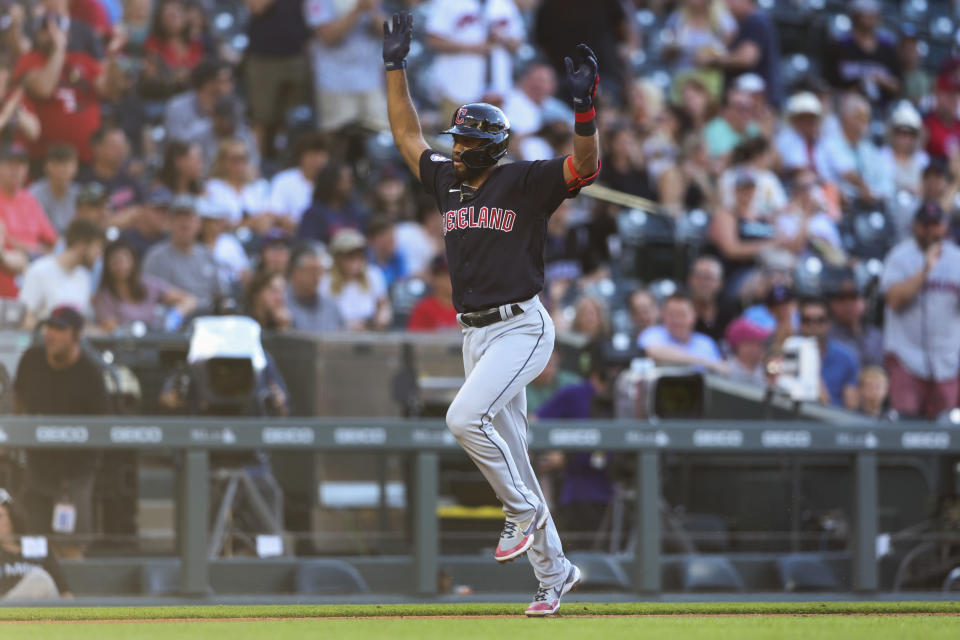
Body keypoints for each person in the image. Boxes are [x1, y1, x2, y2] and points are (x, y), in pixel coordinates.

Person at [383, 13, 600, 615]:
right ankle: (555, 573)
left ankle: (522, 513)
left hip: (522, 325)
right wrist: (395, 68)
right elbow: (406, 135)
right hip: (475, 334)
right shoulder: (448, 183)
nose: (459, 151)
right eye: (457, 141)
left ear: (494, 148)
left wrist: (584, 112)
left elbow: (584, 168)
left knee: (462, 417)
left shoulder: (524, 182)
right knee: (512, 451)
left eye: (470, 144)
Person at [13, 305, 109, 557]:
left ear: (77, 335)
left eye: (59, 329)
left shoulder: (90, 373)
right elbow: (18, 402)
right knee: (31, 544)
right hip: (36, 467)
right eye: (48, 327)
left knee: (71, 548)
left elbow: (101, 428)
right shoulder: (31, 359)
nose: (50, 334)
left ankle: (71, 594)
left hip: (74, 473)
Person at [881, 201, 960, 419]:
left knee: (948, 431)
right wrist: (925, 270)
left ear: (944, 227)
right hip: (907, 356)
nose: (931, 231)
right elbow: (894, 300)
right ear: (916, 225)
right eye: (926, 225)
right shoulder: (899, 257)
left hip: (946, 359)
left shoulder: (956, 258)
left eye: (936, 225)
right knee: (906, 431)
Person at [305, 0, 389, 134]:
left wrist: (372, 10)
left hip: (371, 82)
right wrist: (357, 10)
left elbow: (387, 33)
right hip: (334, 83)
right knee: (340, 141)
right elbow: (328, 37)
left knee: (380, 137)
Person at [244, 0, 309, 158]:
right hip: (264, 58)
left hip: (296, 55)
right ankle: (254, 170)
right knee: (261, 118)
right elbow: (255, 7)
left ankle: (285, 165)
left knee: (292, 119)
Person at [142, 195, 224, 314]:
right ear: (170, 223)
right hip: (173, 318)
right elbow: (149, 296)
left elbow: (221, 293)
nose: (185, 223)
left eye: (190, 217)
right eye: (179, 217)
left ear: (199, 224)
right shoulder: (156, 257)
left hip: (208, 317)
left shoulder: (206, 254)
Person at [93, 238, 196, 332]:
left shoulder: (148, 284)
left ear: (133, 261)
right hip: (125, 347)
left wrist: (176, 315)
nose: (121, 266)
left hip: (157, 342)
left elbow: (190, 299)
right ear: (107, 265)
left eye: (124, 260)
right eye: (115, 262)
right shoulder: (104, 296)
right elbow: (110, 328)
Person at [19, 218, 104, 327]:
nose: (99, 254)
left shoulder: (84, 277)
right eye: (97, 247)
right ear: (81, 246)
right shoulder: (39, 271)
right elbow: (25, 318)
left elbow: (83, 323)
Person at [823, 0, 900, 110]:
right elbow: (828, 88)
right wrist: (857, 88)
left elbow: (897, 87)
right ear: (855, 15)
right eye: (866, 11)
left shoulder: (888, 48)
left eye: (873, 12)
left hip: (881, 111)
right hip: (845, 111)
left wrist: (881, 80)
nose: (871, 16)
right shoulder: (839, 45)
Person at [0, 491, 71, 599]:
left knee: (41, 579)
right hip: (8, 612)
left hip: (45, 611)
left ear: (12, 517)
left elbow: (64, 591)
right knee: (39, 579)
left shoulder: (37, 546)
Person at [320, 227, 390, 331]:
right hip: (336, 335)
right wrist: (348, 325)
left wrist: (382, 317)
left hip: (368, 333)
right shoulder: (325, 281)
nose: (355, 260)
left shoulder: (373, 275)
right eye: (349, 255)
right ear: (338, 257)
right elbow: (322, 316)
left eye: (359, 255)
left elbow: (383, 306)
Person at [797, 297, 859, 409]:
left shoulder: (846, 358)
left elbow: (852, 407)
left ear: (828, 323)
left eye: (820, 320)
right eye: (807, 320)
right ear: (800, 323)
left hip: (832, 422)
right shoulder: (788, 352)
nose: (813, 325)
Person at [638, 292, 725, 372]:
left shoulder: (706, 343)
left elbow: (723, 369)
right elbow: (654, 352)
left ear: (693, 316)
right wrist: (703, 362)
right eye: (671, 314)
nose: (676, 320)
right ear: (663, 315)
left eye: (682, 315)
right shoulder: (652, 334)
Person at [77, 125, 143, 227]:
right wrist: (131, 214)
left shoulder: (129, 176)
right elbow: (95, 224)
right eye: (115, 147)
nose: (121, 151)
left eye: (123, 145)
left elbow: (145, 210)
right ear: (97, 149)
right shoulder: (85, 183)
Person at [296, 160, 369, 244]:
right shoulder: (313, 214)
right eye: (345, 181)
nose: (349, 186)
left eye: (351, 181)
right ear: (331, 183)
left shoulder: (356, 212)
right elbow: (308, 247)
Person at [163, 59, 235, 145]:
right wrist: (213, 125)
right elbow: (177, 146)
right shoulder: (177, 107)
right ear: (207, 83)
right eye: (224, 81)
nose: (230, 86)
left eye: (230, 81)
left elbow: (245, 142)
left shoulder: (232, 106)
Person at [268, 133, 329, 230]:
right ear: (302, 156)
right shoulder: (283, 180)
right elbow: (274, 213)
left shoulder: (331, 183)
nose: (319, 160)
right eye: (314, 155)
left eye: (322, 155)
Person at [826, 272, 883, 368]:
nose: (848, 304)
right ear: (832, 304)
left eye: (853, 297)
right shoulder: (827, 335)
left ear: (865, 302)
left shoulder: (876, 336)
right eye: (841, 298)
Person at [285, 243, 343, 333]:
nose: (317, 277)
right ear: (295, 271)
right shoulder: (280, 303)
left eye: (320, 271)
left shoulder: (331, 306)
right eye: (312, 271)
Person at [29, 144, 79, 235]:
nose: (62, 169)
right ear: (46, 166)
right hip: (43, 242)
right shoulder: (34, 193)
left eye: (67, 164)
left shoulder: (79, 193)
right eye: (57, 164)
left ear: (76, 167)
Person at [407, 254, 459, 332]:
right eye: (444, 276)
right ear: (433, 278)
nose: (450, 280)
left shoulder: (467, 308)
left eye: (453, 274)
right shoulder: (423, 308)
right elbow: (414, 340)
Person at [687, 255, 731, 343]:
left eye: (709, 278)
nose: (704, 283)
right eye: (699, 277)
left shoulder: (729, 312)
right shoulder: (679, 314)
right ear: (690, 280)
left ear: (720, 283)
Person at [119, 186, 172, 258]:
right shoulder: (126, 241)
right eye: (159, 210)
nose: (164, 215)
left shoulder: (170, 240)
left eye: (167, 211)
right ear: (144, 209)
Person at [723, 316, 770, 385]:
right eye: (752, 343)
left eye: (760, 343)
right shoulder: (726, 369)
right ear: (739, 346)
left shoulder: (761, 370)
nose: (760, 347)